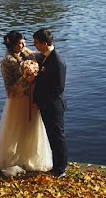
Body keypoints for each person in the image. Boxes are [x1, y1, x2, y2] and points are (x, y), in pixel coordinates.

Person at [0, 31, 52, 176]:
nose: (23, 45)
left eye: (24, 42)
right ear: (11, 45)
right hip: (18, 101)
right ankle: (12, 159)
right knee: (17, 129)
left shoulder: (26, 52)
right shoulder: (7, 61)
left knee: (31, 128)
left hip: (31, 98)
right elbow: (9, 87)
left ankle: (29, 158)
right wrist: (27, 78)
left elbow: (40, 56)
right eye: (19, 43)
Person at [32, 28, 68, 177]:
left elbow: (59, 88)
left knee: (58, 137)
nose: (34, 45)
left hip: (53, 105)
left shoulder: (57, 61)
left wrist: (44, 102)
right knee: (52, 137)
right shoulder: (45, 57)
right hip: (46, 105)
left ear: (44, 43)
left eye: (36, 43)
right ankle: (56, 166)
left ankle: (61, 169)